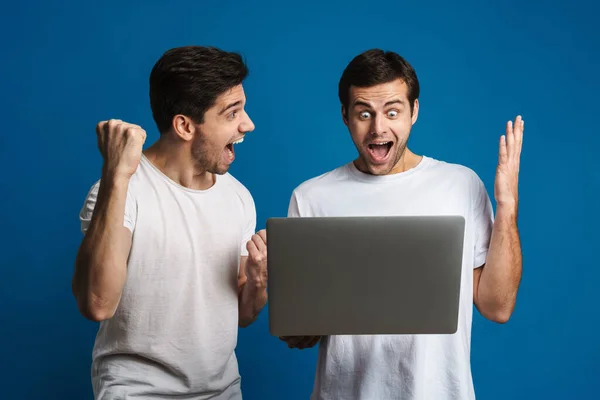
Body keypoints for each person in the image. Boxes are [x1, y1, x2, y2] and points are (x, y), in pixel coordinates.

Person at [280, 49, 523, 400]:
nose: (379, 128)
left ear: (414, 112)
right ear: (345, 116)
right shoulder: (311, 197)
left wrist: (507, 207)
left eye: (392, 111)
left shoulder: (461, 184)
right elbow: (298, 336)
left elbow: (496, 306)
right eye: (364, 113)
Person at [72, 46, 268, 400]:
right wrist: (116, 173)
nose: (247, 124)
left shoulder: (239, 196)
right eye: (232, 113)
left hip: (223, 391)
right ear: (184, 125)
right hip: (137, 392)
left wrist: (258, 281)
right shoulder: (117, 192)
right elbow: (97, 303)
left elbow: (241, 315)